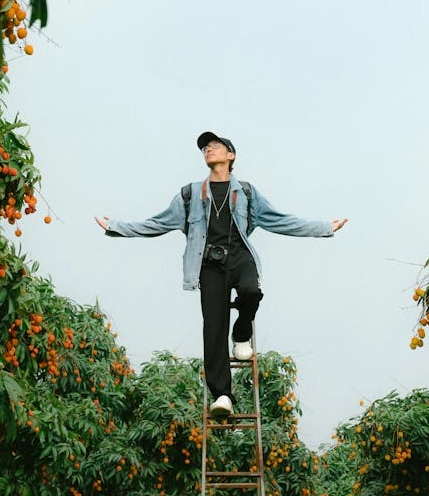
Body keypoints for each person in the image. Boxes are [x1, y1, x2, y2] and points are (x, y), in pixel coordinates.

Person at [95, 132, 348, 417]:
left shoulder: (247, 193)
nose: (208, 149)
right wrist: (115, 226)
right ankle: (223, 395)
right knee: (213, 329)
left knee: (251, 291)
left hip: (240, 257)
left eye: (215, 145)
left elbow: (281, 221)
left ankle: (241, 335)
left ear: (231, 155)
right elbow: (157, 223)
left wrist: (324, 227)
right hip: (208, 265)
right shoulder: (189, 194)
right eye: (205, 147)